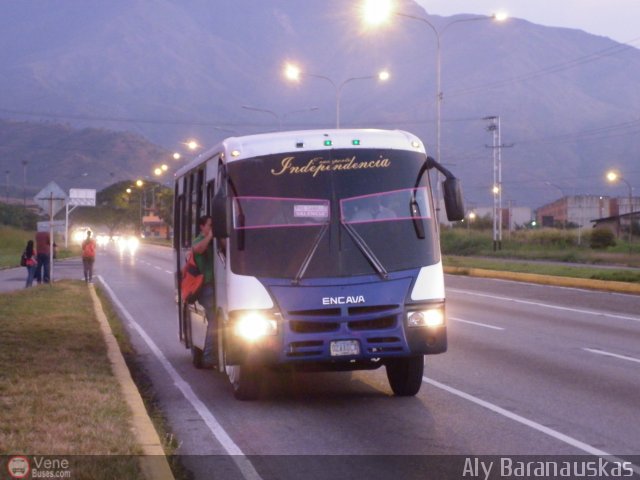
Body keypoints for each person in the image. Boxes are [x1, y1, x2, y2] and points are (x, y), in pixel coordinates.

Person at [192, 215, 216, 367]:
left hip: (213, 286)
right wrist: (211, 235)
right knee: (215, 321)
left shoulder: (212, 242)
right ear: (202, 227)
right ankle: (208, 357)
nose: (211, 227)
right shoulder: (198, 241)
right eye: (209, 225)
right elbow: (199, 249)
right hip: (205, 288)